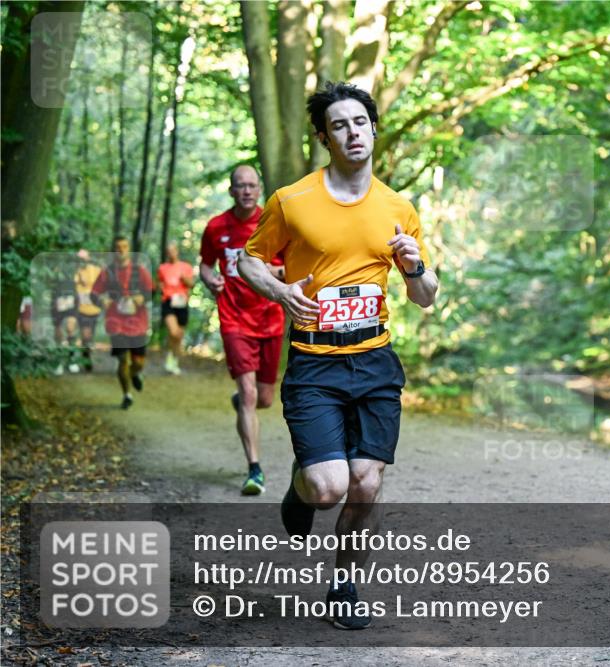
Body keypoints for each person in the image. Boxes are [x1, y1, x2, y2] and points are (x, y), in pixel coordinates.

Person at [239, 81, 438, 630]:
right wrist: (281, 292)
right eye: (339, 125)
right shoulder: (292, 200)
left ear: (374, 130)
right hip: (314, 359)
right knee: (329, 488)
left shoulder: (398, 207)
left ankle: (345, 582)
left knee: (366, 481)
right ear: (324, 137)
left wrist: (416, 265)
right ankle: (301, 485)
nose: (352, 132)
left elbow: (424, 297)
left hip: (374, 360)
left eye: (360, 122)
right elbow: (250, 262)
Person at [199, 165, 286, 496]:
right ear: (232, 190)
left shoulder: (273, 222)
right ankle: (254, 469)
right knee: (249, 395)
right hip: (234, 318)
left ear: (259, 188)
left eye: (252, 185)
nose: (247, 191)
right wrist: (209, 279)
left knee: (264, 398)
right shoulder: (216, 227)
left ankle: (244, 401)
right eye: (241, 186)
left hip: (269, 318)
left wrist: (276, 271)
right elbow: (206, 265)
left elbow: (291, 264)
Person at [92, 236, 153, 409]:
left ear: (129, 249)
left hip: (137, 323)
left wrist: (143, 297)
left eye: (125, 246)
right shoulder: (107, 272)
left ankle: (135, 374)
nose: (121, 250)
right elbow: (93, 294)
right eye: (118, 247)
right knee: (122, 360)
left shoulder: (139, 270)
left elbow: (151, 291)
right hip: (116, 322)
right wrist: (101, 301)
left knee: (138, 362)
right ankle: (127, 395)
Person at [157, 241, 195, 375]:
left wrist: (185, 279)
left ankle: (173, 360)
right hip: (168, 302)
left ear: (177, 251)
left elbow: (191, 284)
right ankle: (170, 356)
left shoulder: (186, 267)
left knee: (178, 335)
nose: (171, 253)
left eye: (173, 250)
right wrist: (160, 287)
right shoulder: (163, 268)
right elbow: (159, 283)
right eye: (168, 251)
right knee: (173, 332)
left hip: (182, 302)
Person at [74, 249, 102, 372]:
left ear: (88, 258)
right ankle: (86, 358)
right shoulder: (75, 272)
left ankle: (86, 354)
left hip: (94, 309)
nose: (82, 261)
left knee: (90, 336)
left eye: (84, 258)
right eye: (80, 259)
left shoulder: (95, 270)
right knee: (85, 335)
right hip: (81, 309)